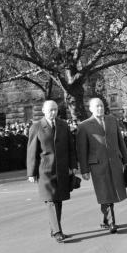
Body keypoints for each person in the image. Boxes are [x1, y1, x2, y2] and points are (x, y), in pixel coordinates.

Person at [76, 98, 127, 234]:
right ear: (91, 109)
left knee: (110, 191)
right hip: (97, 165)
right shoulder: (84, 126)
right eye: (97, 106)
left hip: (115, 161)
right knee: (105, 191)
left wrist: (126, 161)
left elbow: (120, 140)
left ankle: (106, 220)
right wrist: (84, 170)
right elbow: (82, 150)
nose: (100, 109)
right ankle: (112, 223)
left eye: (101, 106)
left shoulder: (112, 120)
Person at [27, 100, 77, 243]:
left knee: (58, 199)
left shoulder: (63, 125)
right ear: (43, 110)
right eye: (50, 110)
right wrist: (31, 172)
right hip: (45, 170)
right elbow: (32, 151)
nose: (53, 112)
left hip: (61, 169)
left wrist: (73, 165)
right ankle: (57, 231)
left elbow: (70, 148)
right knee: (50, 201)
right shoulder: (36, 127)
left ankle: (54, 228)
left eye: (55, 109)